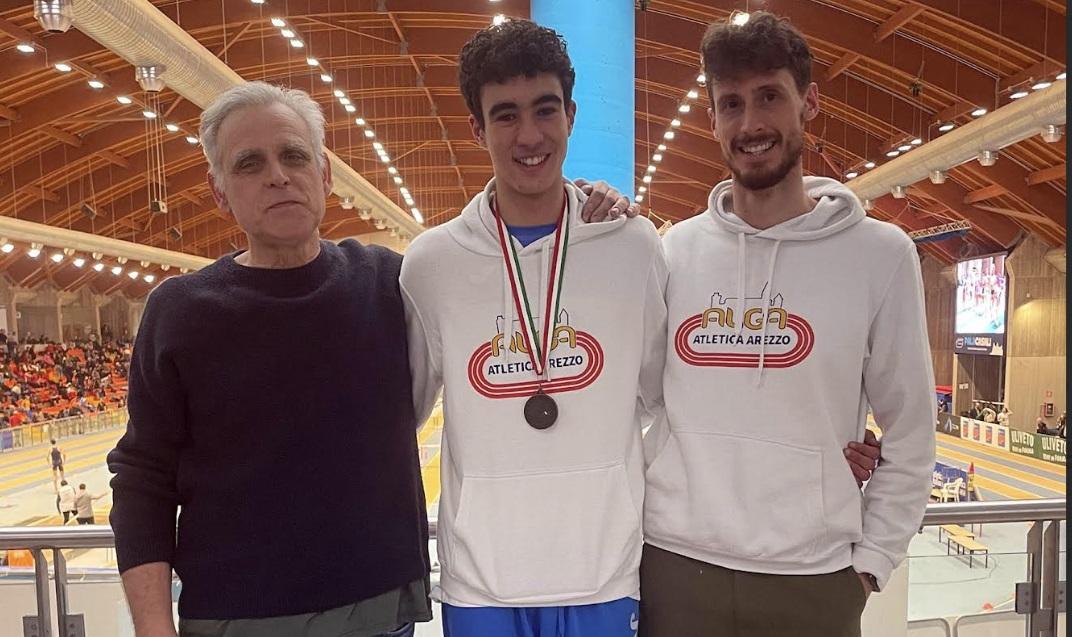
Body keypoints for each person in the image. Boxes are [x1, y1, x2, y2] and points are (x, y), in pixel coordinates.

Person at [402, 20, 879, 637]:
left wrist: (815, 438)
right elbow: (405, 412)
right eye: (505, 115)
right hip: (480, 582)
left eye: (545, 110)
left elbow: (673, 391)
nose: (528, 135)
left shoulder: (631, 246)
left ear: (571, 115)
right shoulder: (433, 263)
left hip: (605, 575)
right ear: (477, 128)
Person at [106, 81, 630, 637]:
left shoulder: (389, 281)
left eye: (293, 155)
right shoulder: (182, 311)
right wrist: (153, 628)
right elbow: (143, 477)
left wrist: (581, 202)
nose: (278, 176)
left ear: (325, 174)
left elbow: (497, 263)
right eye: (249, 164)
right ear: (219, 193)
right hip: (237, 619)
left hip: (380, 614)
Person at [638, 13, 935, 637]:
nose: (750, 124)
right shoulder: (672, 253)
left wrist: (871, 565)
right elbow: (637, 399)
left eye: (769, 96)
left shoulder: (880, 255)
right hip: (675, 568)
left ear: (810, 102)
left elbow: (911, 430)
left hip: (816, 580)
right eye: (731, 104)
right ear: (712, 119)